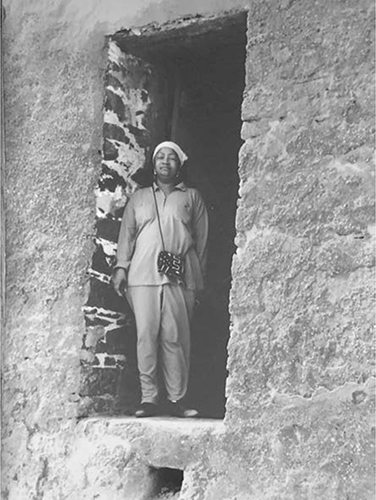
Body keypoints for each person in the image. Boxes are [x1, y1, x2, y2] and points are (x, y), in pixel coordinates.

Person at [112, 141, 209, 418]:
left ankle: (178, 398)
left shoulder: (192, 197)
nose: (166, 162)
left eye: (172, 158)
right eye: (161, 158)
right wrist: (121, 267)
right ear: (153, 164)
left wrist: (197, 280)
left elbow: (202, 242)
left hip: (180, 276)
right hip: (142, 274)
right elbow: (127, 236)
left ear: (180, 165)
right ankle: (149, 399)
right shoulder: (139, 197)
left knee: (175, 337)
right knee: (146, 336)